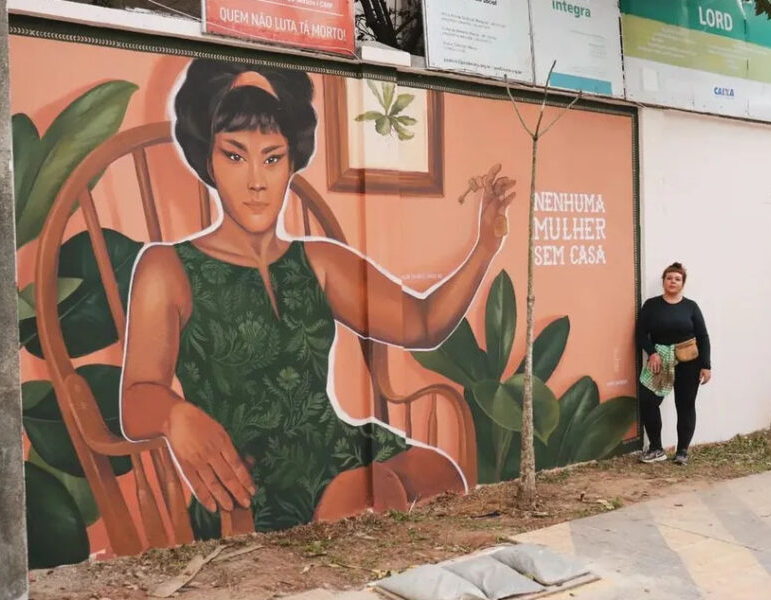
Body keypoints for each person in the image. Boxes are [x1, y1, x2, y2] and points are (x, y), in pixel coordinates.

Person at [119, 59, 517, 537]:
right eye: (234, 155)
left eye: (272, 157)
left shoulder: (319, 262)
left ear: (291, 161)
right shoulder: (168, 267)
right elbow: (135, 398)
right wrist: (174, 415)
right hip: (247, 478)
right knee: (372, 497)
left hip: (333, 442)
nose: (256, 182)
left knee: (442, 478)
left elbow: (423, 323)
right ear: (208, 158)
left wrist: (485, 247)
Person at [636, 262, 711, 466]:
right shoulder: (651, 305)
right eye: (669, 278)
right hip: (659, 359)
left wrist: (706, 365)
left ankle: (682, 451)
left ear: (682, 283)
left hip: (689, 361)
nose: (673, 282)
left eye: (677, 279)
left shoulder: (691, 307)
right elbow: (641, 334)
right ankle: (656, 448)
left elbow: (703, 336)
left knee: (685, 405)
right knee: (648, 401)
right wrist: (651, 353)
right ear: (663, 281)